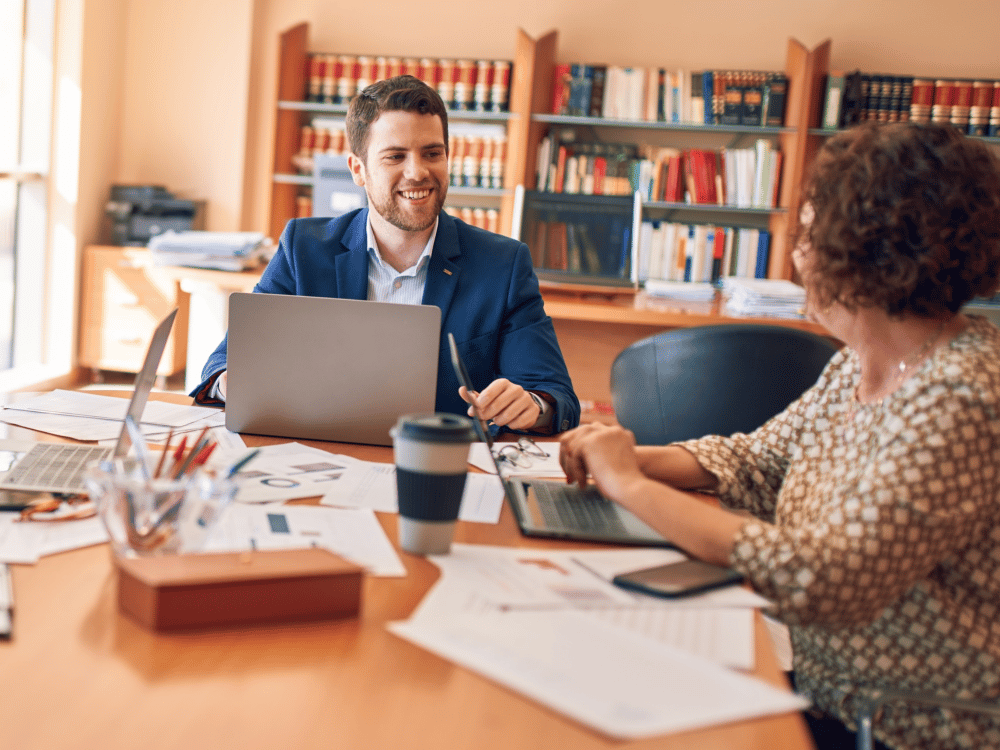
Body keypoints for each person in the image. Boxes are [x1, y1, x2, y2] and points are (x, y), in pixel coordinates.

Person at [559, 122, 1000, 750]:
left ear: (871, 255)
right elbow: (761, 460)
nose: (797, 257)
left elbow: (826, 580)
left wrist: (628, 484)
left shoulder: (963, 396)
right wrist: (630, 455)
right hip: (825, 695)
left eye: (811, 236)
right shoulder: (863, 357)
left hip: (903, 727)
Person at [191, 75, 579, 435]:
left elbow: (555, 396)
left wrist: (532, 406)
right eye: (395, 157)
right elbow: (222, 366)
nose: (418, 172)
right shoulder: (303, 248)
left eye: (432, 153)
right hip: (322, 461)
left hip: (442, 471)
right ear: (358, 169)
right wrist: (234, 380)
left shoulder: (503, 265)